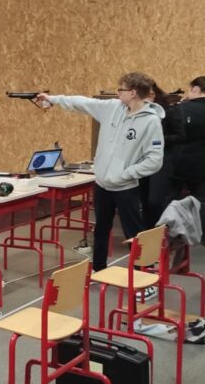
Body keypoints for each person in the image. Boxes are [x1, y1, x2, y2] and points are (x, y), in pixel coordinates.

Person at [36, 73, 164, 273]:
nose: (117, 92)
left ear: (132, 93)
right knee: (101, 230)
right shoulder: (112, 108)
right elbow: (82, 102)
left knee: (134, 234)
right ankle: (99, 269)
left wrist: (125, 174)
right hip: (102, 185)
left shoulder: (151, 121)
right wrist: (52, 99)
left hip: (126, 188)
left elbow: (154, 160)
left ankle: (143, 276)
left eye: (121, 89)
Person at [166, 73, 205, 248]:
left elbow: (171, 134)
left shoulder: (179, 109)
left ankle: (167, 236)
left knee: (170, 198)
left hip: (179, 161)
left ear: (195, 89)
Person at [139, 82, 175, 230]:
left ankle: (159, 230)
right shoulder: (139, 112)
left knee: (155, 200)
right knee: (144, 199)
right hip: (142, 159)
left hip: (162, 158)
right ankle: (147, 231)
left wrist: (158, 139)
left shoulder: (168, 111)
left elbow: (180, 136)